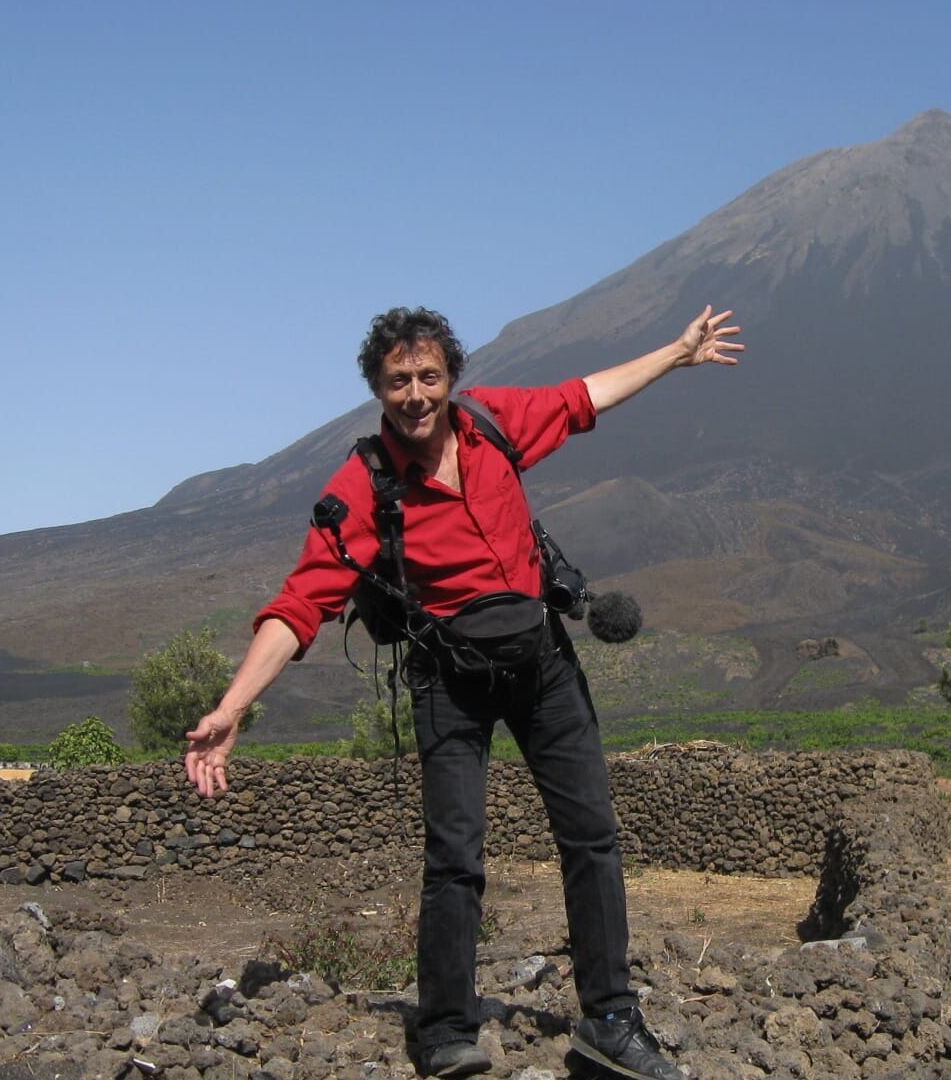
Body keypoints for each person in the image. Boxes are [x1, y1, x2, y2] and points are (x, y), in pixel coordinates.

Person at [183, 305, 743, 1079]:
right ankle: (446, 1029)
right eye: (397, 381)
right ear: (376, 389)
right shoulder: (363, 485)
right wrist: (233, 706)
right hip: (448, 679)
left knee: (592, 836)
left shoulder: (494, 423)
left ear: (451, 377)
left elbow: (585, 395)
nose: (414, 394)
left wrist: (677, 354)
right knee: (455, 857)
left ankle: (610, 1019)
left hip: (543, 667)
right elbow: (300, 603)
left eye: (428, 376)